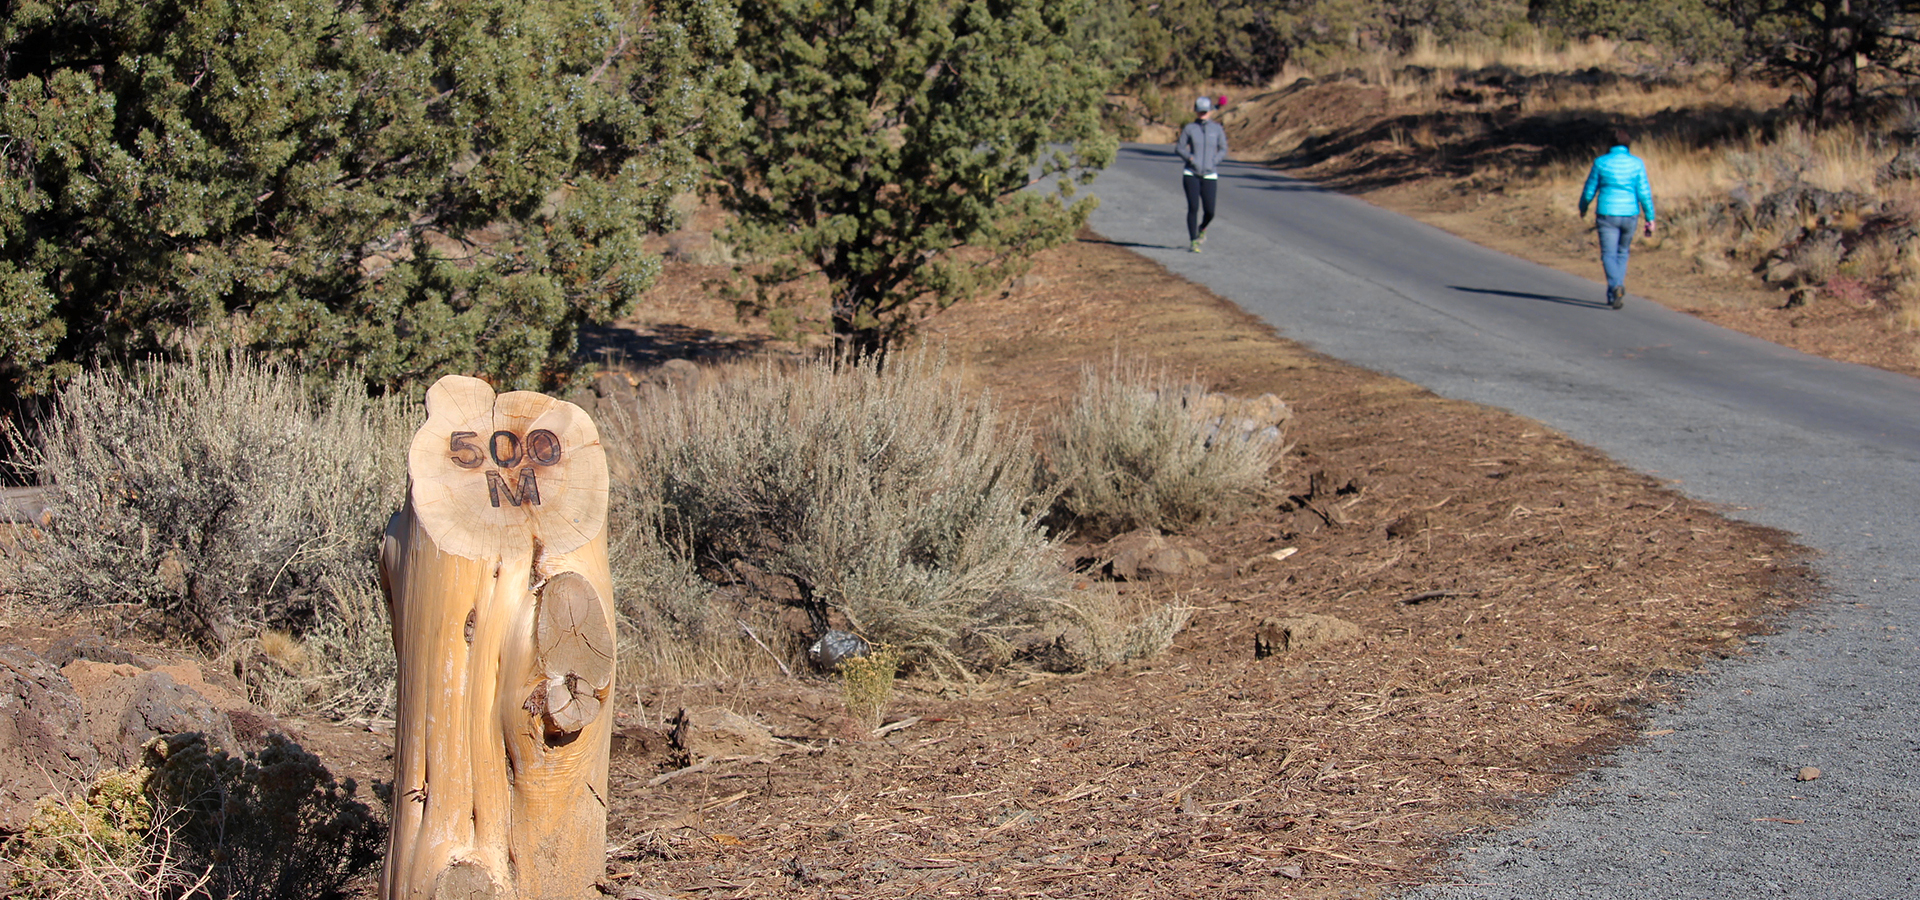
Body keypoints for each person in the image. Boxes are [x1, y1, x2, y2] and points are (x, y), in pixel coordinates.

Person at [1577, 129, 1656, 309]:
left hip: (1607, 213)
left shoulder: (1600, 162)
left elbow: (1589, 190)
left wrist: (1583, 207)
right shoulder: (1637, 164)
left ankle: (1615, 287)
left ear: (1609, 143)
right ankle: (1614, 292)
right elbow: (1644, 193)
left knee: (1608, 254)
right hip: (1630, 214)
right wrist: (1650, 217)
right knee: (1622, 252)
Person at [1177, 96, 1229, 253]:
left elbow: (1223, 148)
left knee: (1210, 211)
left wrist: (1215, 160)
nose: (1203, 115)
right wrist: (1190, 158)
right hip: (1191, 173)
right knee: (1193, 207)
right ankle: (1193, 240)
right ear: (1196, 112)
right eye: (1200, 112)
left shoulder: (1217, 129)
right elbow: (1179, 148)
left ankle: (1203, 228)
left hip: (1210, 174)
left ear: (1210, 112)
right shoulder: (1190, 128)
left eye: (1205, 112)